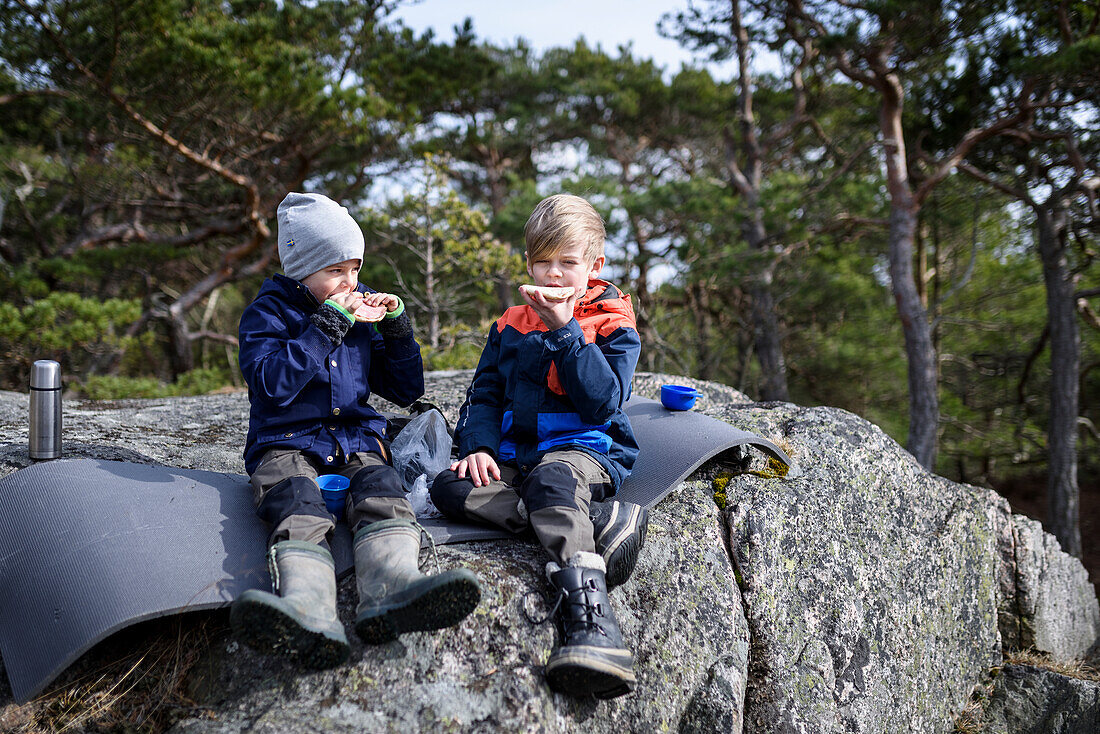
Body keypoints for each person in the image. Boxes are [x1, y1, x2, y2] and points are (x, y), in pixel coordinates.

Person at [231, 192, 480, 668]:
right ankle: (308, 610)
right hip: (287, 441)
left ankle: (394, 589)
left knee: (382, 491)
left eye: (355, 269)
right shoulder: (267, 315)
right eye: (337, 272)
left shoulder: (357, 314)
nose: (351, 283)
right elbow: (270, 387)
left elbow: (405, 390)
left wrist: (397, 329)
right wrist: (327, 325)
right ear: (301, 267)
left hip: (356, 438)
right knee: (295, 502)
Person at [430, 193, 647, 699]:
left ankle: (593, 624)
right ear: (528, 262)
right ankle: (594, 525)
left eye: (567, 263)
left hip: (585, 451)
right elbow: (483, 394)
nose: (553, 275)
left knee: (553, 479)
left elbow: (602, 403)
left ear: (594, 265)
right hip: (516, 457)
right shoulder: (509, 323)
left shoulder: (613, 323)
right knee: (450, 488)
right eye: (542, 262)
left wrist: (566, 331)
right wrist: (478, 448)